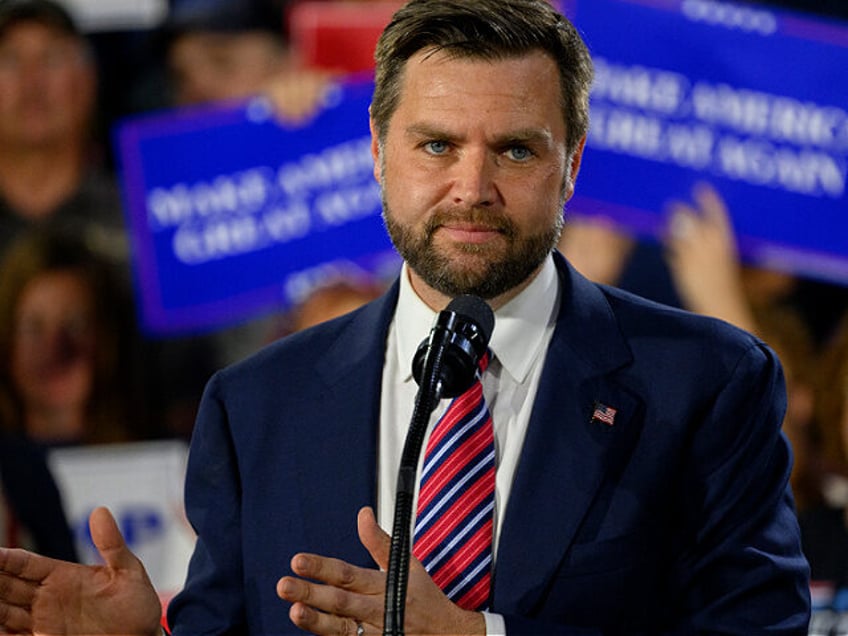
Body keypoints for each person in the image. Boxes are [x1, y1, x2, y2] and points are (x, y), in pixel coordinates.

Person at [0, 0, 811, 634]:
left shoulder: (707, 384)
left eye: (517, 151)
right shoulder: (255, 407)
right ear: (377, 152)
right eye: (436, 146)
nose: (472, 185)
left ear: (573, 165)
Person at [0, 0, 128, 269]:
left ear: (88, 82)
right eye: (9, 60)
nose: (32, 82)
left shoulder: (138, 218)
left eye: (53, 58)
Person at [0, 230, 145, 447]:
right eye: (33, 328)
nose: (55, 349)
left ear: (107, 338)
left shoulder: (168, 460)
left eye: (76, 325)